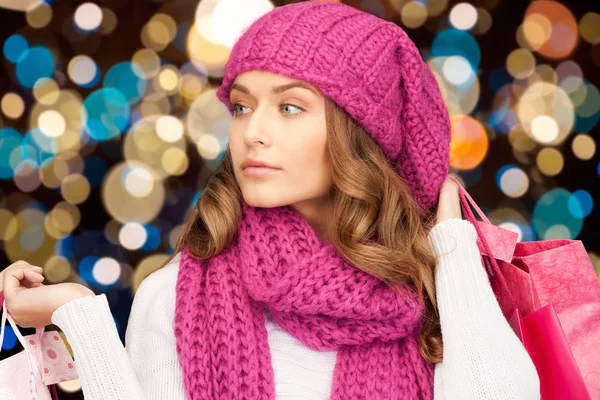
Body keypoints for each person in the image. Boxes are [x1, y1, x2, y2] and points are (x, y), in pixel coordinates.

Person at [0, 1, 541, 399]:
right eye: (240, 107)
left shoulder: (438, 292)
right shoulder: (176, 295)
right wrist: (80, 317)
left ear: (362, 132)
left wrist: (450, 240)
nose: (251, 133)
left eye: (289, 108)